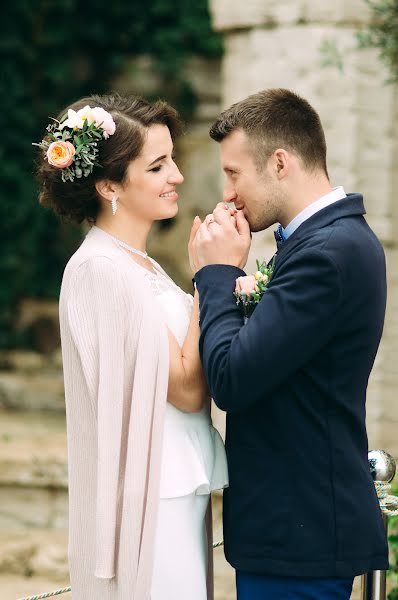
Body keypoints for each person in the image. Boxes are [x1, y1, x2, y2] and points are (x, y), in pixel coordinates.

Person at [189, 88, 389, 600]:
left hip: (302, 537)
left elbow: (232, 378)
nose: (227, 193)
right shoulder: (319, 242)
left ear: (280, 162)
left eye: (234, 173)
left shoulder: (327, 253)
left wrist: (215, 275)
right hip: (294, 533)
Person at [34, 93, 228, 600]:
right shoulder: (100, 269)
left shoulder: (137, 263)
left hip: (176, 484)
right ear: (108, 185)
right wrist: (211, 280)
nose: (178, 176)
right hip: (149, 496)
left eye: (173, 160)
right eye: (158, 165)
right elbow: (186, 389)